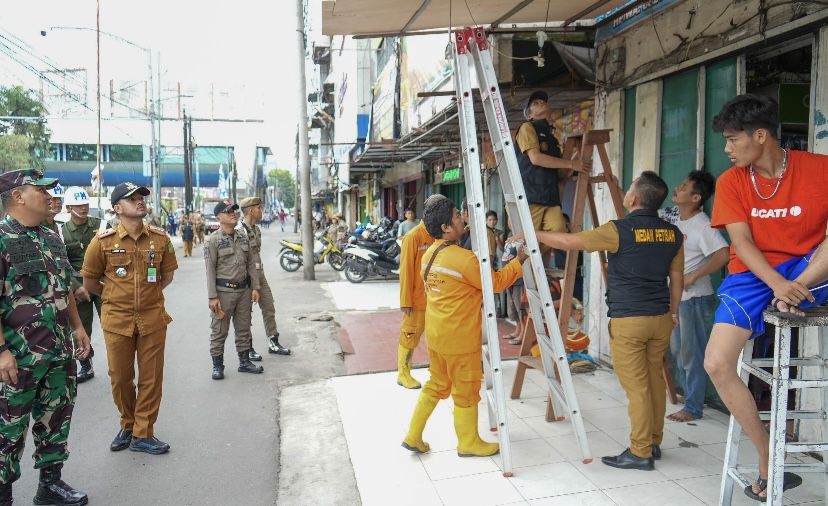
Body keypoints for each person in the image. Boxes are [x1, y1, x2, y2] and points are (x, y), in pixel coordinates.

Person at [703, 94, 828, 501]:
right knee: (717, 363)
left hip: (811, 268)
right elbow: (742, 242)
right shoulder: (731, 182)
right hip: (754, 275)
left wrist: (800, 283)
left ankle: (798, 292)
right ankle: (767, 455)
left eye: (732, 139)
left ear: (760, 135)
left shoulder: (820, 169)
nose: (726, 148)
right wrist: (778, 285)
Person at [531, 171, 684, 471]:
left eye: (629, 187)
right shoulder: (673, 234)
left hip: (629, 320)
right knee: (654, 380)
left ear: (635, 198)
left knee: (637, 387)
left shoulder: (619, 230)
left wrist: (533, 233)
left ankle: (640, 452)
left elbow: (568, 241)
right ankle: (653, 441)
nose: (625, 192)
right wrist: (674, 312)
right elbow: (677, 279)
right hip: (661, 317)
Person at [401, 195, 526, 458]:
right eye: (458, 216)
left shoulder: (430, 254)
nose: (462, 219)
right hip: (460, 339)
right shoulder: (464, 259)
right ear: (446, 227)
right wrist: (519, 262)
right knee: (466, 390)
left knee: (436, 383)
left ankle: (413, 436)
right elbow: (497, 282)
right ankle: (468, 442)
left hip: (436, 336)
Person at [0, 169, 91, 506]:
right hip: (18, 355)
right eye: (40, 189)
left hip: (57, 349)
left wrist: (78, 327)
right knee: (8, 427)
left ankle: (50, 485)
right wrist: (1, 352)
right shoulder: (3, 238)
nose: (49, 194)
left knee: (56, 416)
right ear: (18, 196)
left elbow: (64, 285)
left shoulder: (51, 235)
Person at [81, 182, 178, 456]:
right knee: (120, 377)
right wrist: (115, 295)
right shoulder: (101, 243)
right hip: (117, 319)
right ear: (117, 208)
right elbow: (89, 282)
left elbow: (167, 276)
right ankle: (128, 424)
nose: (139, 202)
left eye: (141, 198)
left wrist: (148, 296)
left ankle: (142, 433)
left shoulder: (160, 239)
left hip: (152, 318)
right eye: (131, 198)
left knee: (151, 378)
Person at [658, 171, 729, 423]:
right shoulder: (674, 217)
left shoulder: (704, 225)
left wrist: (693, 276)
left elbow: (723, 253)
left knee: (691, 353)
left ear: (696, 197)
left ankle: (693, 407)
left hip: (695, 299)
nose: (677, 188)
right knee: (679, 351)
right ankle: (690, 398)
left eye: (684, 186)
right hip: (678, 299)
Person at [514, 90, 588, 260]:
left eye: (542, 101)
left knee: (558, 231)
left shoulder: (552, 136)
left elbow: (560, 173)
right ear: (528, 114)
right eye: (535, 103)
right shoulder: (527, 128)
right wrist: (571, 163)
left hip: (550, 196)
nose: (541, 103)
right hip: (531, 195)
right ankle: (512, 277)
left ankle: (525, 260)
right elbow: (536, 158)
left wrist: (577, 159)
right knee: (527, 244)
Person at [204, 200, 263, 380]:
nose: (233, 214)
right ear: (218, 217)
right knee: (219, 330)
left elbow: (251, 265)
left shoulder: (243, 237)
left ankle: (244, 362)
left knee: (244, 328)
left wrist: (255, 287)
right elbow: (210, 270)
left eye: (234, 211)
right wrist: (212, 297)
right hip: (223, 293)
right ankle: (217, 366)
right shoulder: (213, 241)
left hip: (244, 291)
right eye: (228, 211)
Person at [62, 185, 108, 384]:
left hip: (101, 283)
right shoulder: (62, 232)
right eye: (78, 205)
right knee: (81, 327)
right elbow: (61, 263)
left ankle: (117, 362)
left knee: (111, 323)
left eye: (85, 204)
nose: (83, 208)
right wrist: (74, 286)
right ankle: (86, 365)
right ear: (68, 207)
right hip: (78, 288)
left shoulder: (102, 225)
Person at [239, 197, 291, 360]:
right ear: (251, 211)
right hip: (246, 278)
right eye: (259, 208)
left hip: (260, 274)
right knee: (246, 314)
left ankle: (273, 341)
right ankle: (248, 348)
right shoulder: (240, 231)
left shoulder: (257, 229)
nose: (261, 211)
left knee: (269, 307)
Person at [396, 213, 435, 389]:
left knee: (435, 338)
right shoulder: (413, 237)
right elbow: (405, 271)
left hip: (434, 299)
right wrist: (406, 301)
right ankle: (403, 374)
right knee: (409, 337)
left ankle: (436, 372)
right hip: (416, 300)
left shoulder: (436, 235)